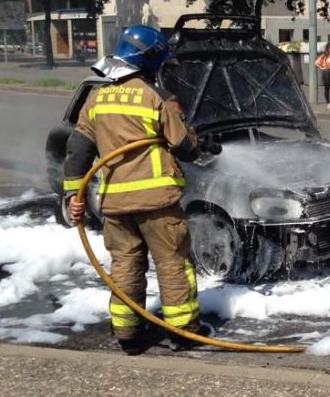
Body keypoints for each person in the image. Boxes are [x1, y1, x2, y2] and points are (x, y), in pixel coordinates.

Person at [63, 25, 219, 356]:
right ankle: (183, 332)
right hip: (157, 202)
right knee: (172, 262)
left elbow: (77, 151)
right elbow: (184, 147)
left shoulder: (96, 98)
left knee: (125, 265)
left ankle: (128, 334)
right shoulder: (156, 97)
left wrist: (72, 197)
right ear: (148, 61)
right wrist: (200, 143)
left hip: (115, 205)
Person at [316, 42, 330, 108]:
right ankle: (328, 103)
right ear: (327, 48)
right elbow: (317, 62)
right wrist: (322, 68)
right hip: (326, 72)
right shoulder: (324, 55)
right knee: (327, 88)